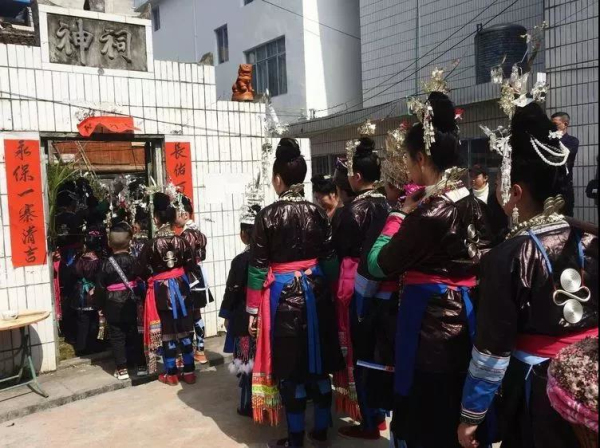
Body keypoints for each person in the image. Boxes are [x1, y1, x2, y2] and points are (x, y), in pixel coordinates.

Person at [458, 102, 598, 448]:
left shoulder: (508, 255)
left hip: (540, 391)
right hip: (592, 384)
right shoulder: (590, 239)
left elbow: (492, 349)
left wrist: (471, 415)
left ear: (516, 192)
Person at [366, 90, 490, 448]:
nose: (407, 167)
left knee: (427, 424)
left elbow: (377, 264)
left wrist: (398, 215)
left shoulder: (431, 211)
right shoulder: (470, 200)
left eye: (408, 159)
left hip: (430, 334)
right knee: (455, 418)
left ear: (421, 158)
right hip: (466, 323)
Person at [246, 138, 343, 448]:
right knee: (320, 367)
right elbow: (330, 260)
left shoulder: (267, 216)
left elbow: (257, 268)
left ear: (278, 179)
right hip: (317, 292)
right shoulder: (318, 213)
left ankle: (296, 439)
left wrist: (252, 311)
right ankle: (321, 430)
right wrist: (333, 293)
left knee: (291, 370)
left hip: (282, 298)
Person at [334, 137, 390, 440]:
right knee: (379, 348)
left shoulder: (350, 211)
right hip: (386, 281)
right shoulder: (389, 204)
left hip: (356, 280)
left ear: (356, 176)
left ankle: (368, 419)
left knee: (360, 351)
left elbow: (338, 249)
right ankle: (378, 414)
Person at [139, 192, 197, 385]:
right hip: (182, 289)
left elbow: (139, 269)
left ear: (156, 218)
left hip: (162, 292)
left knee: (168, 333)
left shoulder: (151, 245)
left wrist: (154, 275)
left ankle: (171, 373)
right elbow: (191, 265)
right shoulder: (182, 241)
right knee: (185, 330)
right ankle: (189, 371)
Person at [219, 203, 262, 418]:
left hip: (245, 318)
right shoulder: (271, 258)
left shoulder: (241, 261)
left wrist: (226, 315)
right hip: (268, 316)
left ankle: (248, 405)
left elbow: (232, 291)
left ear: (244, 234)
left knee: (246, 361)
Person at [96, 223, 146, 379]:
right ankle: (141, 366)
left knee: (117, 337)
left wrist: (100, 306)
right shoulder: (134, 260)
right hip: (132, 302)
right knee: (135, 334)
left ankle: (122, 369)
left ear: (110, 244)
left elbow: (100, 287)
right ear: (129, 242)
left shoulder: (105, 263)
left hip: (112, 304)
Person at [174, 194, 213, 365]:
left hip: (189, 277)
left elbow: (184, 259)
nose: (173, 217)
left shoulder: (186, 235)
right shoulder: (199, 233)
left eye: (175, 214)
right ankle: (200, 351)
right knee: (196, 313)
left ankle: (187, 354)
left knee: (187, 315)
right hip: (199, 275)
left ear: (184, 215)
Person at [71, 226, 106, 356]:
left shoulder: (79, 258)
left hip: (80, 293)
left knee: (82, 321)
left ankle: (81, 347)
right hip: (92, 292)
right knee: (94, 321)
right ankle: (93, 345)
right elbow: (100, 277)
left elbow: (74, 273)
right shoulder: (98, 261)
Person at [470, 164, 508, 240]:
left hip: (496, 238)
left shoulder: (495, 193)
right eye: (471, 176)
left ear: (485, 178)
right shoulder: (467, 195)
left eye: (476, 176)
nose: (472, 179)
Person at [551, 112, 579, 216]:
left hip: (564, 186)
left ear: (565, 124)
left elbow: (566, 154)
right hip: (549, 185)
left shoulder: (572, 141)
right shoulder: (548, 140)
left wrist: (556, 140)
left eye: (555, 124)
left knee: (566, 217)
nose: (552, 128)